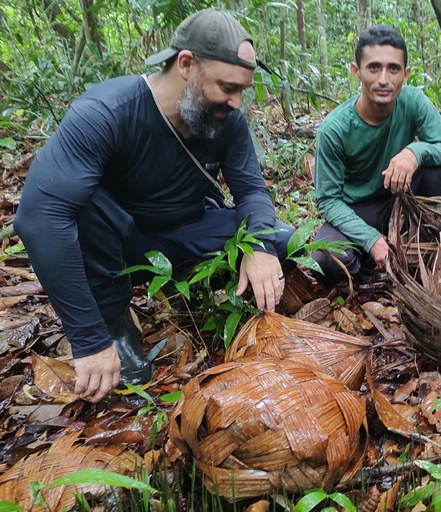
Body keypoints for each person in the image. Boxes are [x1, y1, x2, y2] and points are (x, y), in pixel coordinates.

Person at [14, 9, 293, 402]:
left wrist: (258, 247)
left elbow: (250, 191)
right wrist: (88, 338)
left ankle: (198, 292)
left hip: (186, 229)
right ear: (186, 64)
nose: (236, 102)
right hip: (116, 243)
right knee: (80, 199)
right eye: (228, 87)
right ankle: (114, 323)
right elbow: (39, 218)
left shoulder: (228, 120)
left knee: (283, 240)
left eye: (242, 90)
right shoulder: (107, 113)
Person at [312, 25, 441, 285]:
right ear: (357, 71)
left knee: (438, 172)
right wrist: (369, 238)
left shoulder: (413, 102)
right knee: (325, 258)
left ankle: (425, 250)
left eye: (393, 69)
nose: (384, 79)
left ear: (406, 74)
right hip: (356, 210)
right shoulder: (335, 128)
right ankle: (374, 273)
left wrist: (415, 151)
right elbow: (328, 201)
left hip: (400, 199)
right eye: (373, 67)